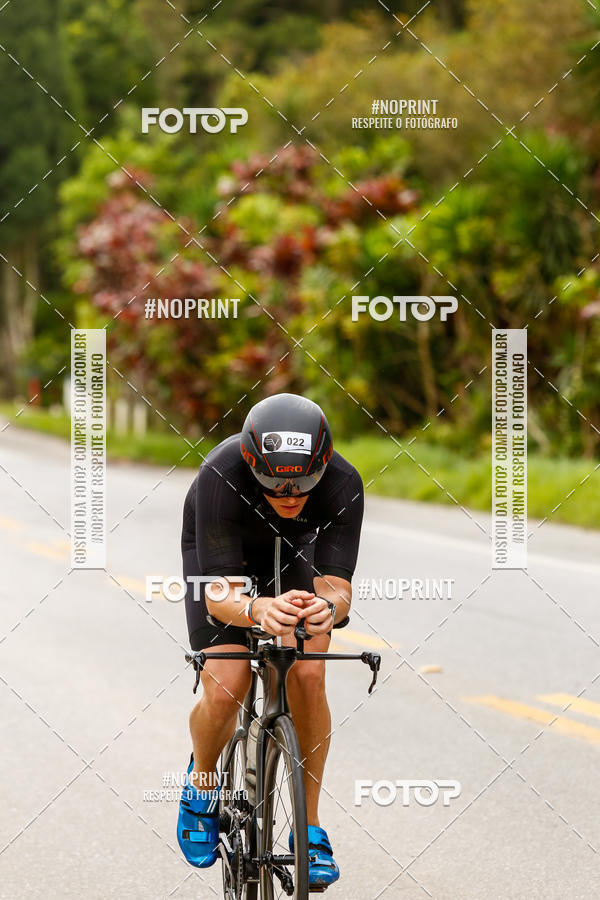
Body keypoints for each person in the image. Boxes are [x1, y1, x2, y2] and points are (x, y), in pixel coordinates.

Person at [177, 392, 364, 889]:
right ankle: (202, 782)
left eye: (302, 486)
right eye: (275, 485)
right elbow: (220, 595)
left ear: (322, 465)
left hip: (292, 554)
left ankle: (310, 827)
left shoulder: (344, 483)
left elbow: (337, 587)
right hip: (223, 560)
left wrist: (327, 609)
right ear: (251, 463)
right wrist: (257, 609)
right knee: (227, 683)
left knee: (308, 671)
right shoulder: (221, 474)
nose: (289, 495)